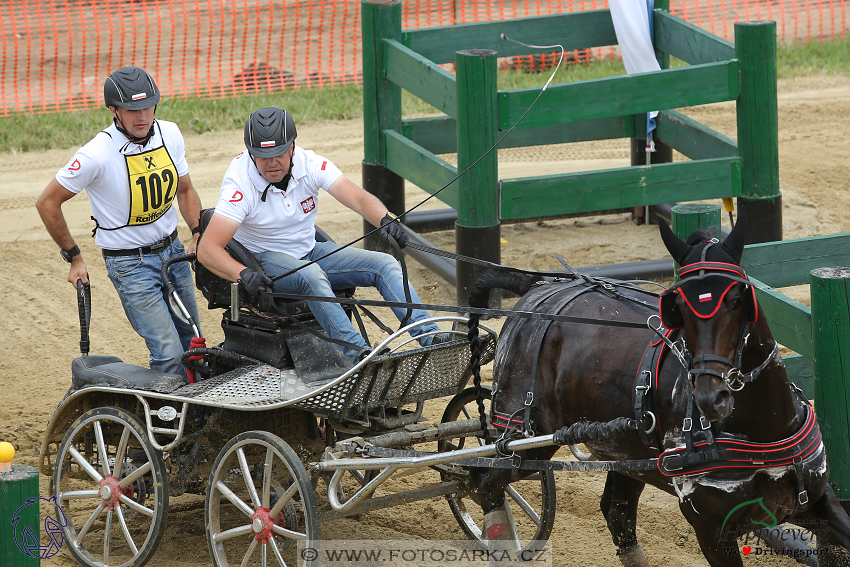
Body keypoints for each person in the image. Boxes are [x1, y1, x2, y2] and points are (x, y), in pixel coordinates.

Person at [197, 106, 453, 363]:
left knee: (385, 264)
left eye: (278, 153)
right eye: (263, 156)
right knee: (311, 274)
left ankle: (430, 338)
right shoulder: (239, 182)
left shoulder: (311, 164)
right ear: (251, 153)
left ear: (292, 147)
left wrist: (384, 219)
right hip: (264, 261)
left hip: (309, 251)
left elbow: (358, 198)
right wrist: (242, 274)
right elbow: (208, 249)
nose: (271, 162)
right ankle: (360, 356)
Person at [35, 66, 203, 376]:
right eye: (131, 110)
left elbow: (186, 189)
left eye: (147, 107)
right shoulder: (96, 154)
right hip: (130, 265)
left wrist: (197, 232)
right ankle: (165, 418)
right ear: (114, 110)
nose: (142, 116)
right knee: (168, 353)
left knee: (194, 346)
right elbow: (47, 203)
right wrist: (74, 257)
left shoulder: (170, 133)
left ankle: (196, 419)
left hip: (174, 254)